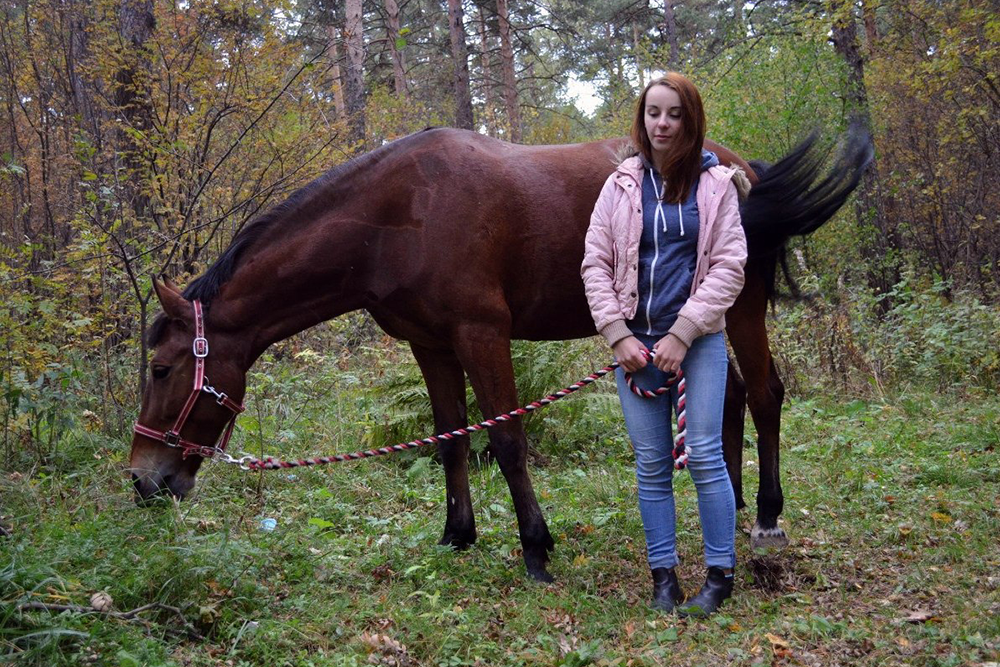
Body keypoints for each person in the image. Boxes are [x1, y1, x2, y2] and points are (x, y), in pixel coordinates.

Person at [581, 72, 750, 616]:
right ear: (642, 118)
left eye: (673, 113)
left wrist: (683, 332)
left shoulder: (717, 186)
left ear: (690, 119)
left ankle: (720, 576)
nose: (662, 123)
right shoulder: (621, 185)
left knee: (704, 455)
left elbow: (729, 267)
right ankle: (663, 578)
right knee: (652, 464)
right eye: (653, 112)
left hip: (696, 343)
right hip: (635, 346)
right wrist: (618, 335)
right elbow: (595, 265)